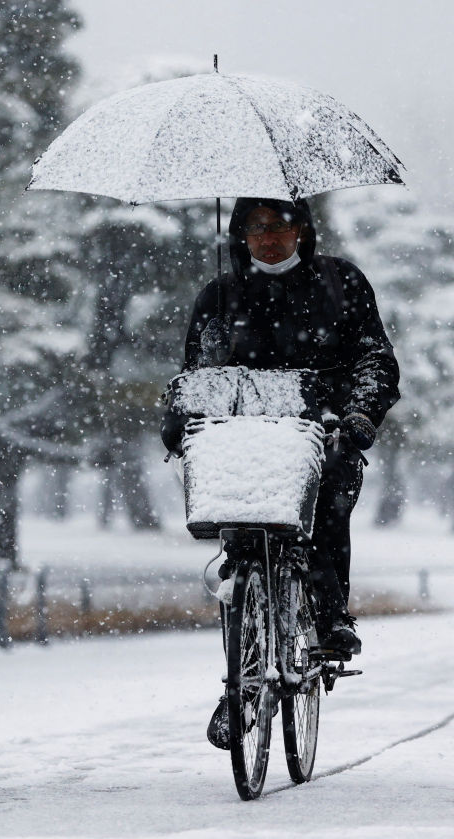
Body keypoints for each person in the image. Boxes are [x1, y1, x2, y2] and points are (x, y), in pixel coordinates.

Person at [161, 196, 399, 749]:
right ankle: (242, 678)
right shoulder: (220, 296)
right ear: (240, 234)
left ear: (303, 230)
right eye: (257, 227)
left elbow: (375, 360)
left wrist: (360, 416)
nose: (269, 239)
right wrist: (180, 422)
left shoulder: (342, 284)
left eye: (281, 226)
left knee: (328, 507)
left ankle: (330, 613)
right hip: (245, 441)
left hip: (323, 433)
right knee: (240, 544)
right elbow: (200, 375)